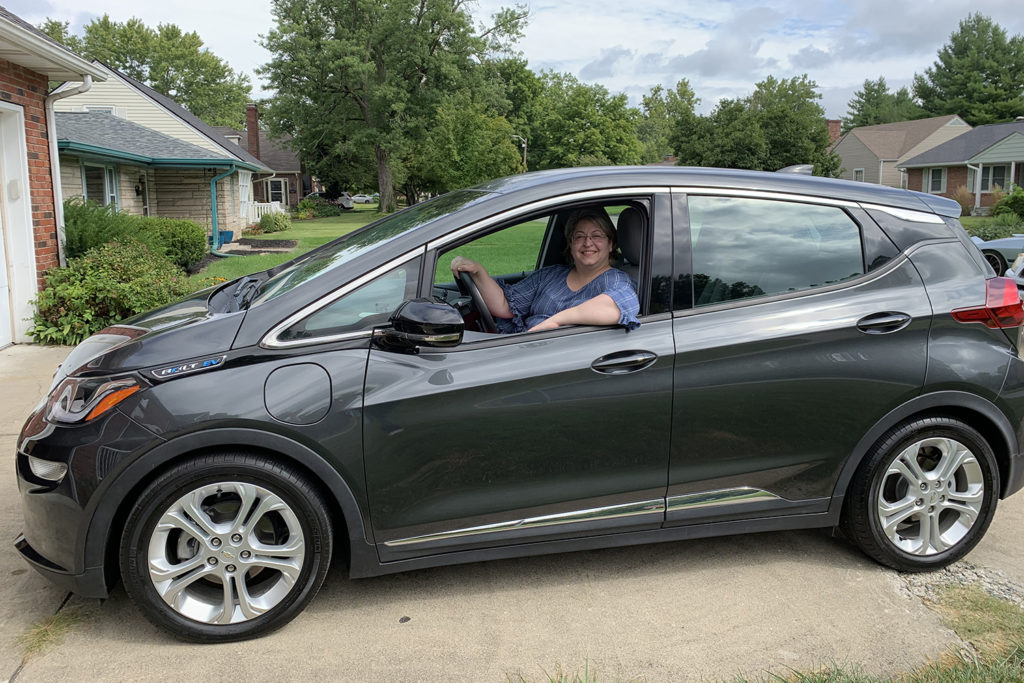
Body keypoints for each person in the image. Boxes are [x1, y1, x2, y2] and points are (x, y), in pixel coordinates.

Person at [450, 207, 640, 333]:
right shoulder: (551, 275)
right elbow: (505, 305)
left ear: (611, 244)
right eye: (579, 236)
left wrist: (555, 322)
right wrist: (478, 272)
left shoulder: (615, 280)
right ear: (571, 244)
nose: (587, 243)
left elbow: (619, 305)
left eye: (597, 236)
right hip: (525, 348)